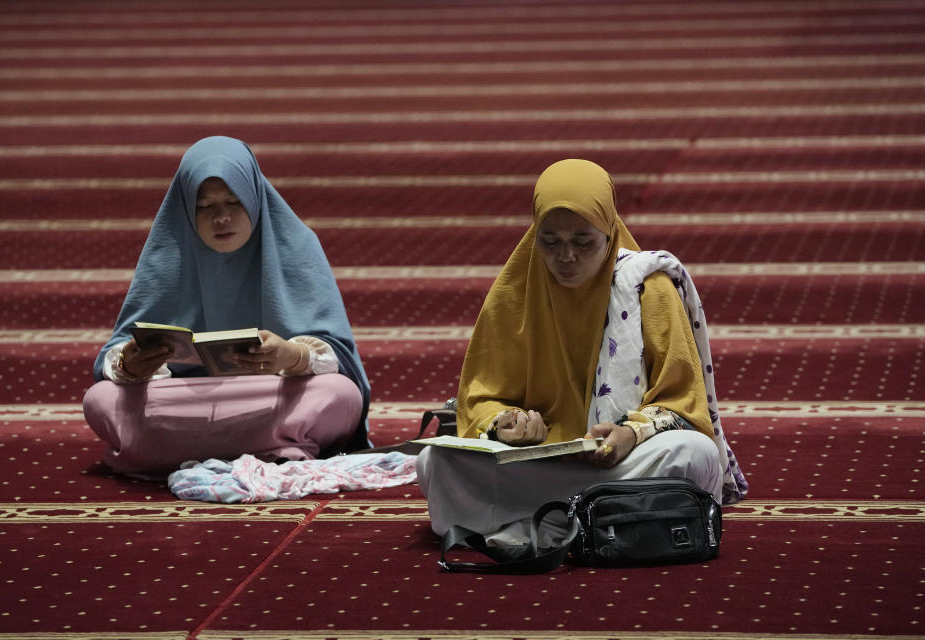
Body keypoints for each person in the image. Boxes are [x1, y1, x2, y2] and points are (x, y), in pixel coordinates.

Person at [416, 159, 747, 543]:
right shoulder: (516, 292)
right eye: (550, 241)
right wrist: (505, 424)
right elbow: (480, 399)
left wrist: (630, 434)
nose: (566, 257)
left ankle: (532, 521)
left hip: (623, 462)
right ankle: (601, 519)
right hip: (543, 460)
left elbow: (682, 402)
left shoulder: (648, 289)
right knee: (436, 461)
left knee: (694, 454)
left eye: (583, 242)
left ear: (609, 234)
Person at [83, 136, 370, 477]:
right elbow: (114, 355)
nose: (222, 217)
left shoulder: (296, 246)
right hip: (186, 398)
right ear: (188, 208)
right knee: (100, 399)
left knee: (338, 395)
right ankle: (272, 447)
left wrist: (290, 356)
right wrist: (131, 364)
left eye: (234, 202)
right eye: (206, 206)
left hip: (269, 393)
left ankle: (166, 452)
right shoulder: (167, 255)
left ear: (253, 197)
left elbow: (339, 357)